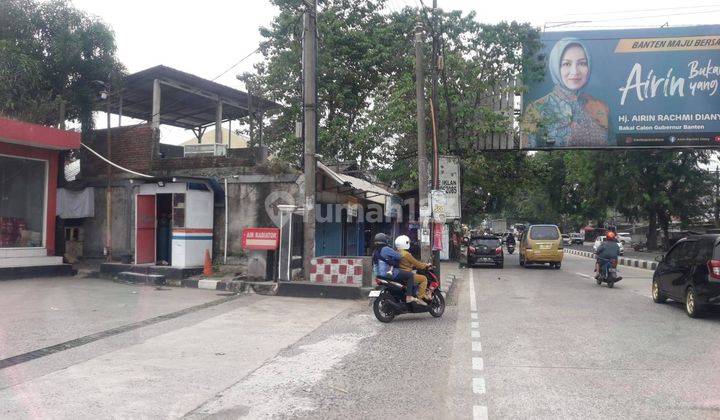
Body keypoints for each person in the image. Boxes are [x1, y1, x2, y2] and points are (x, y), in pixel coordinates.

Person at [522, 37, 609, 148]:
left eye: (582, 63)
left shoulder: (601, 107)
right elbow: (527, 152)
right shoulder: (536, 109)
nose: (575, 72)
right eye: (566, 64)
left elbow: (614, 149)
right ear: (555, 67)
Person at [371, 233, 425, 305]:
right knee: (410, 276)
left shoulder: (374, 252)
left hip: (378, 275)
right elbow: (399, 256)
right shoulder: (386, 249)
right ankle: (408, 296)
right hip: (389, 273)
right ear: (384, 241)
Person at [394, 235, 432, 301]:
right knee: (424, 279)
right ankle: (420, 298)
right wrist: (426, 265)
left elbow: (405, 264)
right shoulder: (406, 254)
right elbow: (417, 264)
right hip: (407, 274)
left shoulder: (396, 252)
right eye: (407, 242)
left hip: (399, 273)